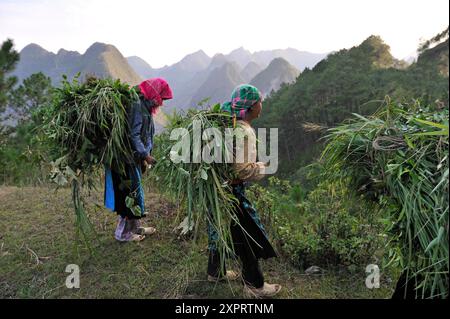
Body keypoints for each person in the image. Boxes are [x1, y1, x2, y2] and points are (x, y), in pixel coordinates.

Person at [207, 84, 282, 298]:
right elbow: (242, 170)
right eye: (259, 101)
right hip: (232, 193)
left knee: (219, 228)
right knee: (248, 236)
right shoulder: (244, 131)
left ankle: (215, 271)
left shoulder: (227, 124)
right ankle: (254, 285)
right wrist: (261, 167)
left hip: (218, 189)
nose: (262, 104)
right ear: (250, 107)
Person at [104, 78, 173, 242]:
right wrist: (145, 154)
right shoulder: (137, 106)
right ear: (154, 93)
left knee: (135, 193)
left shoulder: (146, 107)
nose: (161, 103)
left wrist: (146, 154)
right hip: (125, 159)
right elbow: (134, 135)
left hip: (134, 158)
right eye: (161, 98)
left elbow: (146, 134)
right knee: (127, 195)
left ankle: (135, 227)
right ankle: (122, 234)